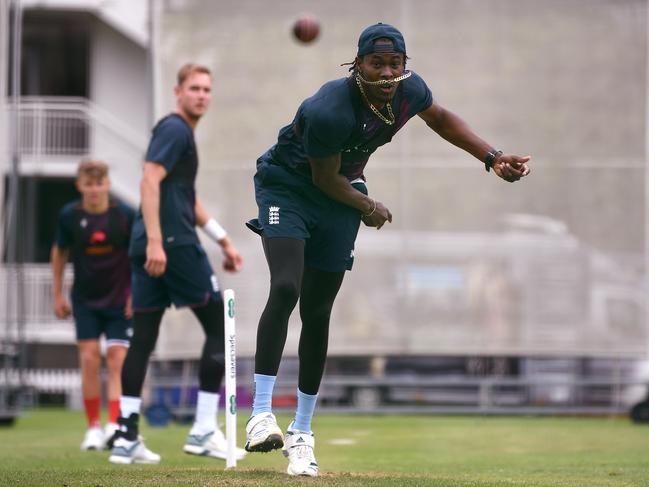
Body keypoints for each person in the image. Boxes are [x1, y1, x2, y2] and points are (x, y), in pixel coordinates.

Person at [244, 23, 531, 477]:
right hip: (291, 189)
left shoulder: (409, 91)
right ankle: (260, 414)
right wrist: (368, 206)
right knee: (285, 287)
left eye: (394, 63)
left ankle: (301, 433)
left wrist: (492, 157)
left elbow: (440, 118)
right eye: (376, 63)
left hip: (342, 193)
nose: (385, 72)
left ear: (404, 66)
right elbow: (322, 179)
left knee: (318, 311)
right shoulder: (328, 110)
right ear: (356, 64)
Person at [108, 63, 246, 465]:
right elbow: (149, 180)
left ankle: (126, 437)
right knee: (221, 327)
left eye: (206, 89)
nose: (202, 95)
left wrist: (223, 239)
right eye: (194, 88)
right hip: (170, 245)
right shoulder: (174, 130)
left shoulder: (183, 134)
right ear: (178, 92)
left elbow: (186, 197)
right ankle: (203, 430)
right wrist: (156, 240)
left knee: (143, 339)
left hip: (154, 245)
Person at [51, 159, 135, 451]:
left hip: (119, 301)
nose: (95, 189)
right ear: (80, 186)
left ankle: (114, 424)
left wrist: (135, 293)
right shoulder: (69, 216)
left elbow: (137, 255)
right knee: (88, 360)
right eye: (89, 184)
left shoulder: (124, 215)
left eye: (100, 183)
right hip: (85, 300)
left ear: (107, 184)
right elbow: (59, 253)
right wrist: (57, 294)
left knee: (116, 359)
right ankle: (93, 429)